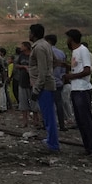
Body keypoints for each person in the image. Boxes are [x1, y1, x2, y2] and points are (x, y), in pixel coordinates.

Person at [63, 29, 92, 156]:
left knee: (86, 120)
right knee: (80, 121)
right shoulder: (75, 52)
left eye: (67, 38)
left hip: (82, 89)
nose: (66, 41)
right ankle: (88, 147)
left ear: (71, 39)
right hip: (76, 89)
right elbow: (76, 67)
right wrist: (64, 65)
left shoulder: (83, 50)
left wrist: (70, 77)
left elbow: (87, 70)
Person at [28, 24, 59, 153]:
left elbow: (42, 71)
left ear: (34, 34)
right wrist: (50, 73)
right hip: (47, 83)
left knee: (48, 116)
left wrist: (36, 89)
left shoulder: (39, 47)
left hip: (44, 86)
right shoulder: (45, 44)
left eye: (30, 32)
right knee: (48, 115)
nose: (28, 34)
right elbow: (55, 61)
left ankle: (53, 144)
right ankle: (51, 140)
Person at [13, 42, 31, 127]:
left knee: (34, 103)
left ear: (27, 47)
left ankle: (36, 120)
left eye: (22, 46)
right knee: (23, 103)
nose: (21, 47)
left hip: (31, 82)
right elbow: (16, 65)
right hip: (22, 81)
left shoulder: (32, 55)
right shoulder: (21, 56)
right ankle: (25, 121)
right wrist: (23, 67)